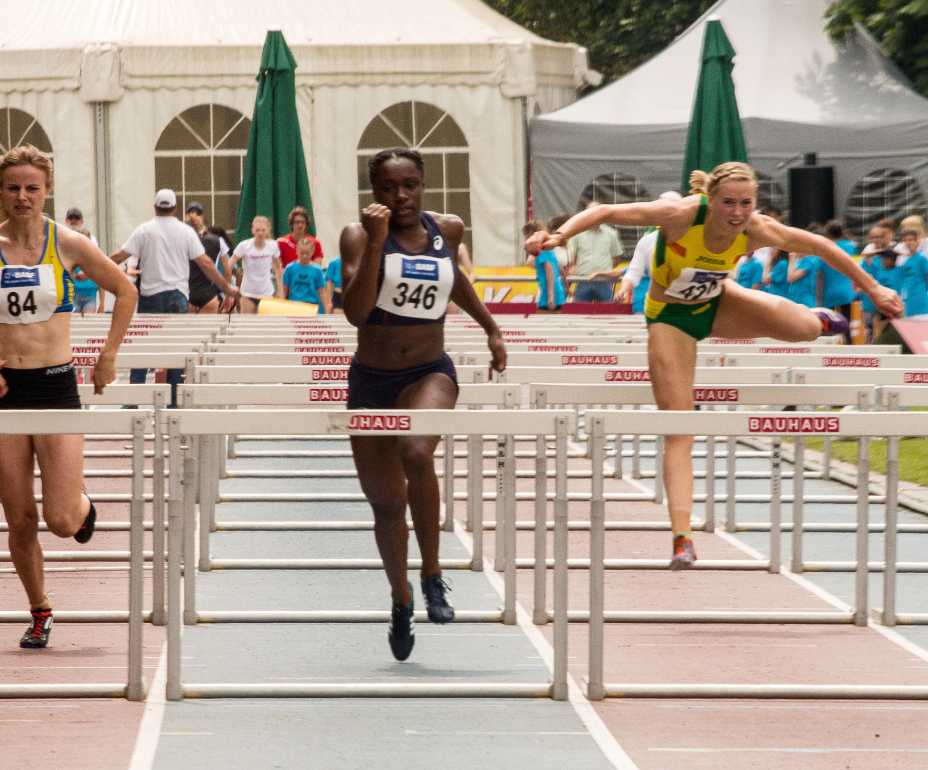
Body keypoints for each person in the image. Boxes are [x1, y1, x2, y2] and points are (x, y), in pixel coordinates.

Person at [530, 162, 901, 570]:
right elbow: (603, 211)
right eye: (728, 203)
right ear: (710, 199)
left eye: (746, 203)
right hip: (670, 321)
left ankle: (813, 317)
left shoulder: (757, 229)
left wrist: (874, 286)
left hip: (720, 304)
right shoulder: (681, 215)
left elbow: (822, 247)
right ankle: (682, 538)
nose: (737, 213)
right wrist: (559, 236)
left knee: (805, 330)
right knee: (680, 427)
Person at [0, 145, 139, 649]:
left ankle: (81, 505)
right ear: (0, 190)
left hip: (55, 385)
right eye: (13, 188)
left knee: (60, 520)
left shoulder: (70, 244)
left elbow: (126, 290)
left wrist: (107, 355)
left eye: (31, 188)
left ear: (47, 190)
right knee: (20, 518)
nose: (22, 196)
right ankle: (40, 610)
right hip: (2, 391)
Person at [340, 147, 507, 661]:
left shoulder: (448, 230)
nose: (401, 197)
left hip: (429, 370)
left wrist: (491, 328)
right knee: (387, 508)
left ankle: (433, 573)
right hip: (371, 379)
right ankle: (400, 597)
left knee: (416, 450)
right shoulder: (356, 235)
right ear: (374, 193)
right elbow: (356, 312)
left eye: (410, 185)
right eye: (389, 188)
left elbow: (454, 281)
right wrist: (375, 243)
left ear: (424, 185)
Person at [110, 190, 238, 404]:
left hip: (150, 295)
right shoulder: (186, 232)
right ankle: (173, 401)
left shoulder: (144, 230)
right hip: (178, 296)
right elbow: (206, 264)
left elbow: (118, 257)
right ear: (176, 208)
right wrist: (227, 287)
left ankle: (132, 399)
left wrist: (89, 271)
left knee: (142, 348)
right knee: (176, 349)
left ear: (154, 207)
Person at [614, 193, 685, 311]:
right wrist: (623, 290)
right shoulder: (647, 241)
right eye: (660, 210)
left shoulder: (697, 237)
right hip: (653, 309)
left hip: (687, 310)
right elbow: (633, 273)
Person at [566, 201, 623, 302]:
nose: (592, 214)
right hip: (583, 280)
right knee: (579, 314)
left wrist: (603, 272)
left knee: (606, 315)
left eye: (595, 211)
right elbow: (572, 260)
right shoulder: (577, 233)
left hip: (604, 282)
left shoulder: (612, 234)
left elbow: (616, 259)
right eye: (589, 212)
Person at [184, 202, 232, 314]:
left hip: (187, 292)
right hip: (209, 294)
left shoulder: (181, 239)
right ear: (201, 218)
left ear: (186, 218)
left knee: (188, 330)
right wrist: (228, 295)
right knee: (208, 330)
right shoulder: (218, 240)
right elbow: (227, 273)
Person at [230, 216, 282, 314]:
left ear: (267, 231)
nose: (260, 233)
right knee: (247, 325)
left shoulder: (273, 245)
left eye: (263, 230)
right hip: (248, 292)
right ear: (252, 231)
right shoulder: (244, 245)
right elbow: (229, 266)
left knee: (266, 325)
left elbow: (278, 268)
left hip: (266, 292)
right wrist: (228, 286)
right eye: (257, 230)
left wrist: (280, 290)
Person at [282, 237, 329, 312]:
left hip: (311, 305)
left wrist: (326, 311)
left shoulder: (317, 270)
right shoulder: (290, 268)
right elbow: (283, 291)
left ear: (312, 252)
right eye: (302, 253)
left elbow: (322, 292)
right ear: (297, 251)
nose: (304, 256)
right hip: (294, 305)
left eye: (307, 253)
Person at [900, 229, 928, 320]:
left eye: (911, 240)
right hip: (908, 303)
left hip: (921, 303)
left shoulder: (921, 258)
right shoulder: (906, 261)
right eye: (906, 240)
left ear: (917, 242)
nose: (908, 243)